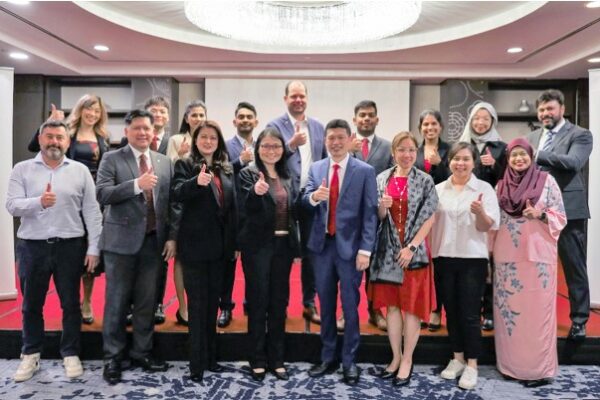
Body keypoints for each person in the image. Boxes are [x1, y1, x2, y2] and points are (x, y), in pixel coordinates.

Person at [7, 119, 102, 382]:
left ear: (68, 141)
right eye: (49, 137)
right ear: (40, 139)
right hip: (32, 247)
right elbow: (12, 205)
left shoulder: (80, 170)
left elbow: (92, 211)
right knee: (31, 305)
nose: (54, 142)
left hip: (70, 246)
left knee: (71, 304)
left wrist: (94, 247)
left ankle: (70, 353)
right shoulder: (22, 169)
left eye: (60, 137)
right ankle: (31, 354)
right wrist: (39, 202)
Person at [97, 110, 176, 385]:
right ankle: (113, 358)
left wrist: (171, 237)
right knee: (117, 303)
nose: (143, 133)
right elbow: (102, 193)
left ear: (154, 132)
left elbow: (169, 203)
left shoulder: (164, 162)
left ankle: (142, 352)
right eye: (138, 128)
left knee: (146, 302)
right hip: (120, 245)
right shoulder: (112, 158)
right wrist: (135, 185)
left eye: (147, 128)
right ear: (127, 131)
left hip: (154, 242)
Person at [303, 119, 378, 385]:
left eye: (339, 138)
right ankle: (327, 357)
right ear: (325, 141)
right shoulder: (317, 167)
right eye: (330, 138)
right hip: (322, 247)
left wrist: (366, 250)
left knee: (349, 306)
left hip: (351, 249)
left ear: (349, 139)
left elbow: (370, 215)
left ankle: (349, 361)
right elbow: (305, 198)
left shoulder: (364, 171)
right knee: (325, 305)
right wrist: (313, 198)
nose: (335, 142)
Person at [493, 138, 566, 387]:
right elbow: (493, 223)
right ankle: (510, 367)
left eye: (523, 154)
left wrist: (540, 214)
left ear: (531, 155)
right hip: (507, 261)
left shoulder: (547, 182)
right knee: (509, 316)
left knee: (537, 317)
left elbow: (561, 217)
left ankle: (539, 370)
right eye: (514, 155)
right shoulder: (500, 186)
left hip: (538, 259)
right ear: (508, 159)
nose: (519, 159)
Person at [369, 132, 438, 387]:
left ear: (416, 152)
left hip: (413, 254)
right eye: (401, 150)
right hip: (388, 253)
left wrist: (411, 246)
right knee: (393, 307)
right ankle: (395, 357)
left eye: (411, 150)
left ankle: (408, 359)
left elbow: (430, 216)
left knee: (411, 309)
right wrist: (383, 207)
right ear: (393, 152)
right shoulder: (381, 179)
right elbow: (376, 216)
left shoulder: (425, 180)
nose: (407, 155)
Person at [430, 142, 500, 390]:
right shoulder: (438, 189)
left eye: (466, 159)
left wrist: (480, 212)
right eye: (456, 159)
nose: (460, 163)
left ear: (474, 162)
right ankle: (457, 357)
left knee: (470, 313)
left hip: (472, 259)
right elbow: (428, 224)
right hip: (444, 256)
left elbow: (486, 227)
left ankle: (472, 364)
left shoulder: (484, 189)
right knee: (451, 310)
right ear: (449, 161)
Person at [171, 120, 236, 383]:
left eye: (213, 137)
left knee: (212, 308)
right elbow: (176, 194)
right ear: (195, 140)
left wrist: (233, 246)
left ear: (218, 141)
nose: (208, 141)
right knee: (197, 308)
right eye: (203, 137)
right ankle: (196, 364)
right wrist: (195, 183)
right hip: (195, 249)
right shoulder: (185, 165)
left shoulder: (226, 168)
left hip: (220, 250)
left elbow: (232, 210)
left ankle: (211, 358)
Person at [527, 89, 593, 340]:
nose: (545, 113)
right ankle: (534, 315)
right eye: (542, 110)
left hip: (568, 209)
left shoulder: (581, 134)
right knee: (533, 265)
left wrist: (538, 155)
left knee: (574, 265)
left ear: (562, 109)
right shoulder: (532, 136)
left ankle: (578, 320)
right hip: (534, 210)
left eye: (550, 109)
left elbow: (573, 162)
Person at [238, 128, 300, 382]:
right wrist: (256, 192)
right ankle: (257, 359)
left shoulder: (287, 175)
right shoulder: (248, 174)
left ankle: (277, 358)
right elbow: (244, 209)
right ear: (258, 148)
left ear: (283, 149)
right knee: (258, 302)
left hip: (283, 248)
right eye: (266, 146)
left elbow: (294, 210)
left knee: (278, 303)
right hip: (257, 248)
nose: (271, 150)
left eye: (276, 146)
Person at [267, 81, 326, 326]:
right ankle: (278, 304)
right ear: (285, 98)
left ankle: (309, 303)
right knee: (283, 252)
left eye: (302, 96)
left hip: (311, 197)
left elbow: (324, 160)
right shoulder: (274, 126)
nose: (298, 100)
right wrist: (291, 145)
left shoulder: (318, 127)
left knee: (312, 253)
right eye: (294, 96)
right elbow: (270, 156)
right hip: (285, 198)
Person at [118, 96, 173, 325]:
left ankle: (156, 304)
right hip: (129, 222)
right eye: (154, 111)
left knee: (158, 267)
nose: (143, 133)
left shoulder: (172, 144)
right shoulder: (121, 152)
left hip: (157, 220)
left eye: (162, 112)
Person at [459, 101, 507, 331]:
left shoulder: (500, 147)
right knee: (466, 259)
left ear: (492, 122)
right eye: (477, 118)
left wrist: (495, 165)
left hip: (489, 209)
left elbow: (508, 178)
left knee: (488, 262)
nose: (480, 122)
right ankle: (467, 309)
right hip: (462, 207)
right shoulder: (461, 144)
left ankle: (488, 311)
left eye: (485, 119)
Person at [348, 99, 393, 332]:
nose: (366, 118)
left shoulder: (387, 147)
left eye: (370, 115)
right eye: (362, 115)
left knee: (375, 270)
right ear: (354, 120)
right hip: (350, 219)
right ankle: (348, 313)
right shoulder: (346, 146)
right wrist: (349, 152)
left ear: (377, 119)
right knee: (350, 271)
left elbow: (394, 178)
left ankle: (375, 311)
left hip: (378, 217)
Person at [165, 99, 208, 326]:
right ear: (186, 118)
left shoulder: (209, 139)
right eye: (194, 115)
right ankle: (182, 308)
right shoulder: (175, 140)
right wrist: (179, 156)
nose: (198, 119)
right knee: (181, 259)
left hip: (202, 209)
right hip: (180, 203)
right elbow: (168, 172)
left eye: (202, 115)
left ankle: (198, 306)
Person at [220, 101, 260, 328]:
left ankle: (251, 302)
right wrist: (239, 162)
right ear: (235, 121)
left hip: (256, 215)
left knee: (253, 264)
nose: (245, 120)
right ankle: (225, 307)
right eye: (241, 117)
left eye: (249, 117)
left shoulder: (264, 145)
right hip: (232, 214)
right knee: (228, 265)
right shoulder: (224, 147)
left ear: (256, 121)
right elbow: (221, 173)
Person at [414, 109, 450, 332]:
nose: (429, 128)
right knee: (420, 265)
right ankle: (420, 309)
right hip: (418, 215)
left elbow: (455, 177)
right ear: (420, 128)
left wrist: (440, 164)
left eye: (433, 124)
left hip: (444, 213)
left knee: (441, 265)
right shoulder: (415, 151)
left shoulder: (449, 150)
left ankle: (437, 311)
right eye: (425, 124)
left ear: (440, 127)